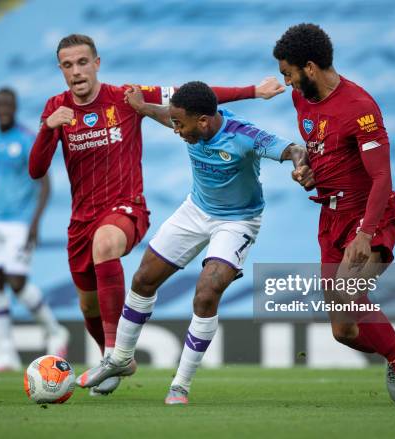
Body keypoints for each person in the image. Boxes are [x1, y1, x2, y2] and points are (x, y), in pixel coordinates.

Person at [28, 34, 285, 395]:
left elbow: (193, 97)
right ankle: (115, 357)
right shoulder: (56, 108)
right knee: (88, 302)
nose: (77, 71)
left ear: (97, 63)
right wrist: (47, 128)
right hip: (80, 219)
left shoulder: (126, 97)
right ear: (61, 70)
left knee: (105, 244)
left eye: (83, 62)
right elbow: (36, 170)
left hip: (125, 208)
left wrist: (252, 91)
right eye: (68, 65)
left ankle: (120, 356)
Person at [77, 81, 312, 405]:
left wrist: (300, 164)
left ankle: (181, 385)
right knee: (144, 279)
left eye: (180, 124)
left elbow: (292, 149)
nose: (176, 130)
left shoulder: (243, 136)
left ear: (203, 121)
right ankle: (118, 359)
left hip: (237, 221)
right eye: (174, 122)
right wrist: (144, 109)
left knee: (206, 292)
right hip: (196, 210)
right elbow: (166, 115)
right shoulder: (189, 121)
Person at [273, 23, 395, 407]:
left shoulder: (360, 108)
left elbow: (382, 176)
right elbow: (323, 150)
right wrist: (308, 171)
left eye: (289, 73)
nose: (288, 82)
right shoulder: (302, 100)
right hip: (330, 218)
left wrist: (365, 232)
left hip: (368, 215)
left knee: (348, 291)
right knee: (343, 330)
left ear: (309, 67)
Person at [0, 87, 68, 372]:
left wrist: (36, 222)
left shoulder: (26, 140)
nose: (4, 107)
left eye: (8, 103)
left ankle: (54, 330)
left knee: (17, 281)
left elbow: (45, 183)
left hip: (20, 221)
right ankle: (7, 352)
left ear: (15, 106)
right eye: (0, 103)